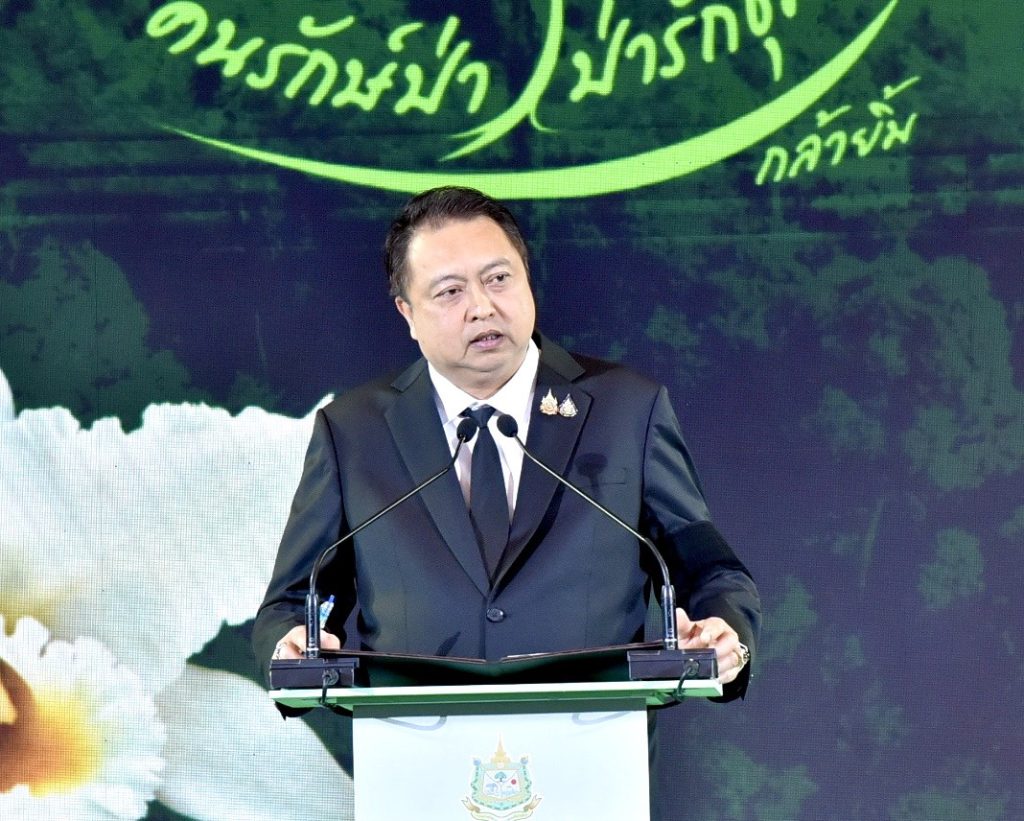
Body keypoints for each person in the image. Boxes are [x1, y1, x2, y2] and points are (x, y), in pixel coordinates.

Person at [252, 186, 760, 813]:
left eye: (499, 279)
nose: (482, 307)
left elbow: (712, 574)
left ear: (527, 281)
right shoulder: (353, 430)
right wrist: (291, 646)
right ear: (406, 312)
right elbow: (290, 604)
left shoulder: (626, 409)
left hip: (590, 769)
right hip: (418, 774)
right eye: (450, 292)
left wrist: (725, 632)